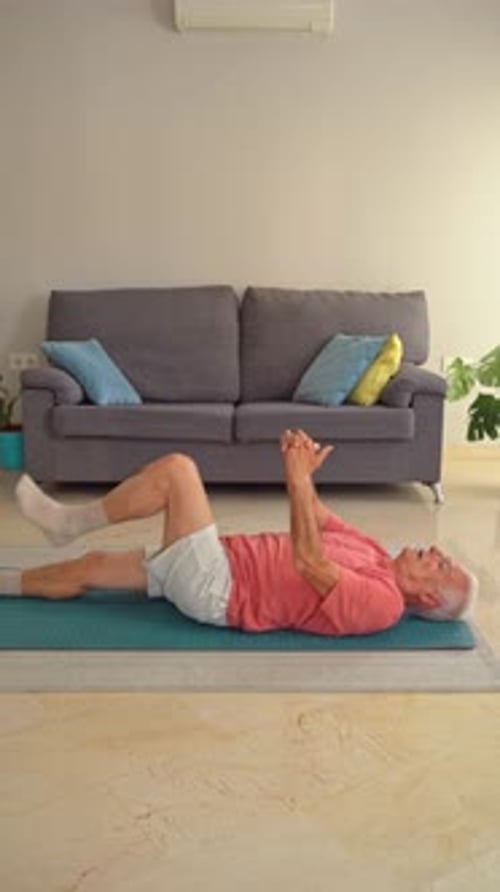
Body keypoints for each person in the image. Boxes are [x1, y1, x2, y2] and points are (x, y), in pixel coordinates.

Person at [0, 429, 477, 636]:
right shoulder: (376, 552)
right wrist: (300, 461)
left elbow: (309, 562)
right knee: (91, 568)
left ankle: (68, 524)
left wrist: (296, 478)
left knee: (178, 472)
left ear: (431, 598)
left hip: (220, 588)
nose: (436, 550)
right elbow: (315, 511)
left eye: (442, 564)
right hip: (217, 563)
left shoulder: (383, 604)